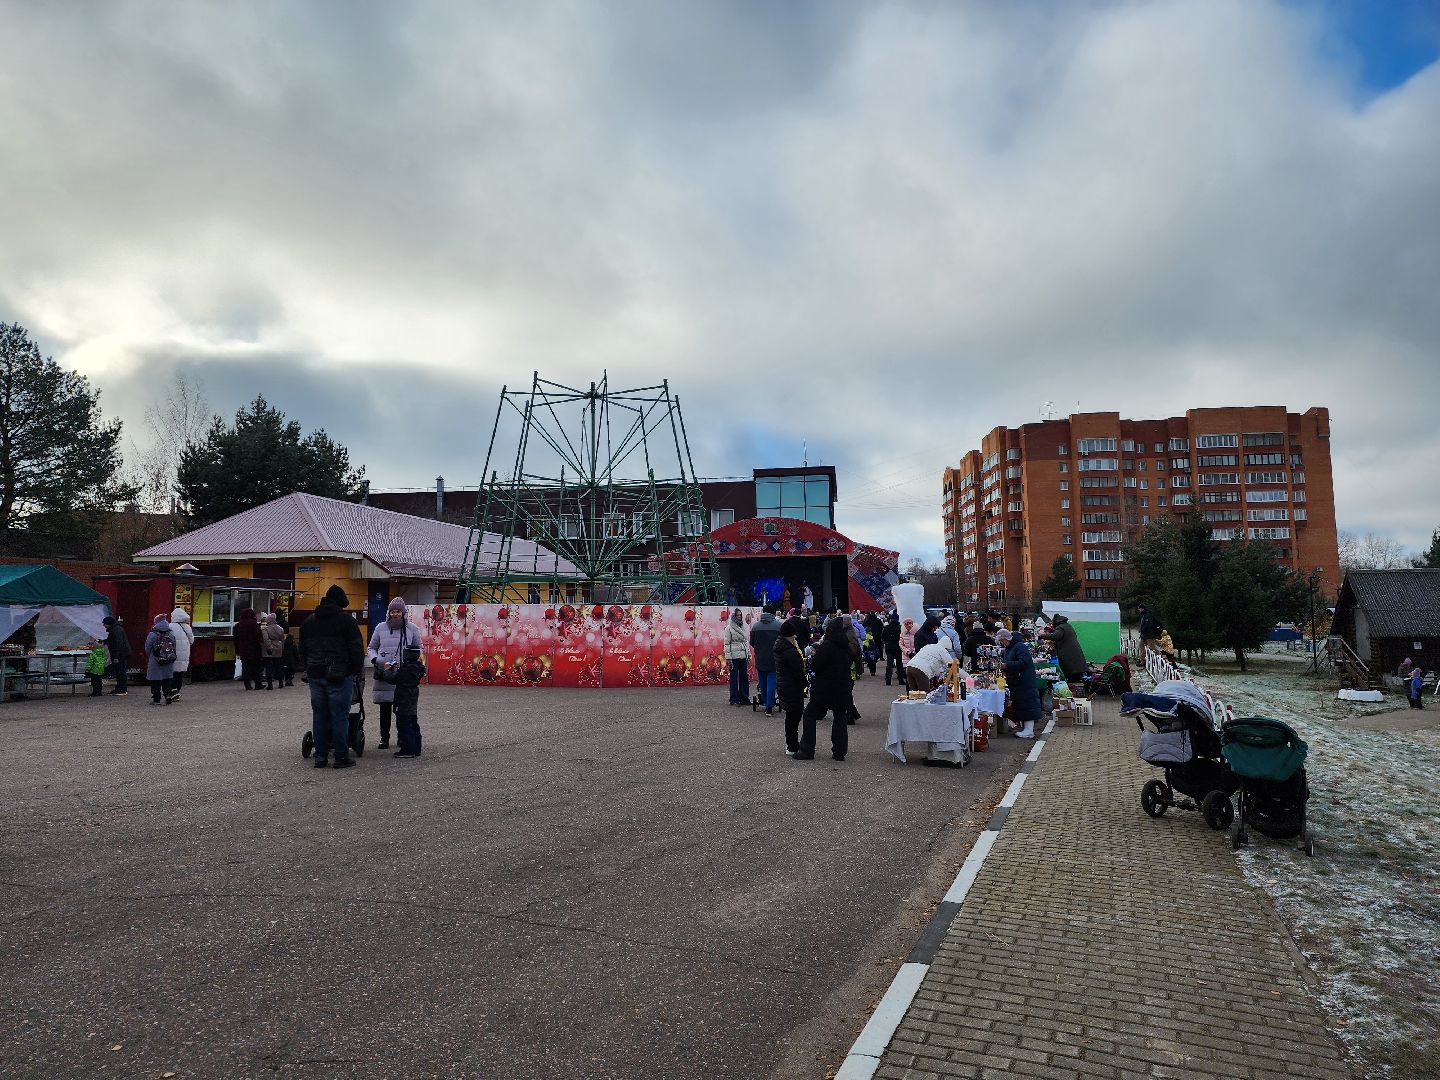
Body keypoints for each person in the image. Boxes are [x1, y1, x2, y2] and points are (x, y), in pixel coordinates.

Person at [299, 585, 366, 769]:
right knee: (339, 716)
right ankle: (340, 756)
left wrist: (310, 667)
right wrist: (353, 669)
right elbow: (356, 649)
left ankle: (320, 757)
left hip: (315, 675)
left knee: (319, 715)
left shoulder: (309, 622)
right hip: (339, 675)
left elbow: (302, 650)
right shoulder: (346, 622)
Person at [368, 597, 422, 747]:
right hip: (385, 673)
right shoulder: (380, 627)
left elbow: (419, 648)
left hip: (403, 673)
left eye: (398, 611)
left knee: (402, 709)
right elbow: (372, 647)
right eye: (393, 611)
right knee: (384, 707)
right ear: (389, 612)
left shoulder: (412, 628)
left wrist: (409, 662)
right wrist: (376, 660)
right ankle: (384, 737)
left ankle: (402, 737)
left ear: (403, 612)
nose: (395, 614)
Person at [797, 617, 852, 761]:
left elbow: (816, 666)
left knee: (809, 715)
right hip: (842, 687)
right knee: (840, 717)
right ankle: (839, 752)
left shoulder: (827, 646)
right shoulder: (845, 646)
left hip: (825, 688)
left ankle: (807, 750)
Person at [376, 645, 427, 757]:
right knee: (413, 722)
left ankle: (408, 750)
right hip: (413, 696)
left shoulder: (406, 670)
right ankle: (416, 747)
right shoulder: (418, 668)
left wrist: (387, 670)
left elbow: (392, 679)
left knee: (403, 724)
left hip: (403, 697)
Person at [999, 628, 1041, 739]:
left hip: (1024, 680)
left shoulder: (1019, 646)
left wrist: (1007, 665)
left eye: (1003, 640)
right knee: (1022, 703)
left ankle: (1029, 730)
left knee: (1027, 703)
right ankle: (1025, 729)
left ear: (1008, 638)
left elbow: (1024, 662)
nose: (1002, 643)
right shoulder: (1010, 648)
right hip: (1018, 680)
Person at [775, 617, 807, 757]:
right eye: (794, 634)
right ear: (789, 635)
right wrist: (805, 683)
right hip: (792, 686)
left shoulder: (780, 647)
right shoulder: (790, 651)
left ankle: (790, 743)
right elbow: (798, 672)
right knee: (794, 717)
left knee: (791, 716)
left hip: (784, 685)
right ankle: (792, 745)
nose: (795, 636)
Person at [749, 607, 781, 715]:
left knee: (762, 682)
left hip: (760, 658)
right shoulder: (779, 626)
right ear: (773, 613)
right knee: (772, 682)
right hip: (774, 658)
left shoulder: (755, 626)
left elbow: (752, 642)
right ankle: (769, 707)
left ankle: (765, 700)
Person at [1040, 614, 1087, 682]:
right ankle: (1074, 686)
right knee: (1075, 674)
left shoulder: (1061, 627)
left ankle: (1071, 687)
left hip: (1068, 654)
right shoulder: (1067, 626)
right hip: (1074, 653)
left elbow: (1055, 636)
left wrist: (1042, 636)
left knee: (1071, 673)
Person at [143, 614, 177, 706]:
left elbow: (147, 648)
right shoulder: (171, 633)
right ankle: (168, 696)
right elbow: (174, 646)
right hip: (168, 660)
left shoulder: (152, 634)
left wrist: (152, 656)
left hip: (156, 661)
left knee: (155, 681)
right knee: (167, 680)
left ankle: (156, 699)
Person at [233, 607, 264, 690]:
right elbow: (259, 636)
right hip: (255, 649)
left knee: (246, 667)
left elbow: (235, 639)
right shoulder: (254, 624)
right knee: (256, 667)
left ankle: (247, 684)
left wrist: (237, 650)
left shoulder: (237, 625)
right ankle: (258, 684)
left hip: (243, 650)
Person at [168, 607, 194, 702]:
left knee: (172, 674)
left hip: (172, 654)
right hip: (184, 655)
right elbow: (191, 641)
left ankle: (171, 692)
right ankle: (177, 692)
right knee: (179, 675)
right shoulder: (187, 627)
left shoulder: (170, 626)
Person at [725, 608, 750, 706]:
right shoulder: (729, 628)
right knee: (734, 678)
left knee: (744, 677)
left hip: (743, 654)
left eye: (740, 615)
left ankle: (744, 697)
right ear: (734, 616)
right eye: (737, 615)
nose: (739, 617)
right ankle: (734, 698)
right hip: (734, 656)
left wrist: (748, 654)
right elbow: (726, 644)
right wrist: (728, 658)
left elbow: (745, 642)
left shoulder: (743, 626)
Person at [103, 616, 130, 696]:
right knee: (119, 671)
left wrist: (116, 657)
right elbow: (112, 640)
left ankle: (122, 689)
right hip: (121, 654)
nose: (104, 626)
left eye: (104, 624)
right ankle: (119, 688)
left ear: (108, 623)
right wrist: (103, 641)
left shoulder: (116, 630)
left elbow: (118, 644)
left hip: (120, 654)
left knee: (121, 671)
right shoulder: (116, 629)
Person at [261, 613, 286, 690]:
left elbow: (266, 639)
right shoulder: (280, 628)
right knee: (278, 666)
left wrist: (269, 648)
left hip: (270, 650)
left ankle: (270, 685)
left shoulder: (265, 629)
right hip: (278, 648)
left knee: (269, 667)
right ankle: (281, 682)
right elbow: (282, 638)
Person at [882, 612, 904, 685]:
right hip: (898, 648)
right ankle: (900, 680)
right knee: (899, 664)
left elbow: (883, 638)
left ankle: (888, 680)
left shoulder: (886, 628)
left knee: (889, 665)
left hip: (889, 648)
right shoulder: (900, 628)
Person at [863, 611, 884, 675]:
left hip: (869, 637)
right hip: (877, 636)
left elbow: (864, 627)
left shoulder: (867, 620)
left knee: (869, 651)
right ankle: (880, 656)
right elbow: (881, 627)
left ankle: (869, 661)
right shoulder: (878, 620)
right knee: (878, 647)